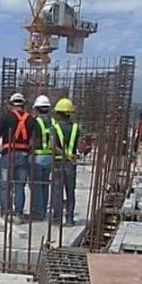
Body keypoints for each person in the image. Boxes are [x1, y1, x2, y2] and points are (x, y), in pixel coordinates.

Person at [0, 93, 35, 221]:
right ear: (24, 105)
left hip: (8, 155)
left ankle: (5, 212)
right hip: (23, 156)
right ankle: (18, 214)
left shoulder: (6, 118)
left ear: (11, 105)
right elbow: (33, 141)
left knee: (5, 185)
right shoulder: (31, 119)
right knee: (19, 185)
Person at [51, 97, 81, 226]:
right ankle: (69, 219)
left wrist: (65, 155)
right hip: (71, 164)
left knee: (57, 191)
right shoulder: (76, 128)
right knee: (70, 191)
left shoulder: (55, 128)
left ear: (59, 113)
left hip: (58, 162)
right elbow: (80, 147)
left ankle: (57, 219)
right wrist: (71, 155)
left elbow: (52, 146)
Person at [30, 95, 53, 220]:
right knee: (45, 184)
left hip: (38, 156)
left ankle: (38, 213)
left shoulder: (36, 122)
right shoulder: (53, 122)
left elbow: (35, 141)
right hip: (50, 156)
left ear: (37, 109)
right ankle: (43, 210)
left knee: (36, 185)